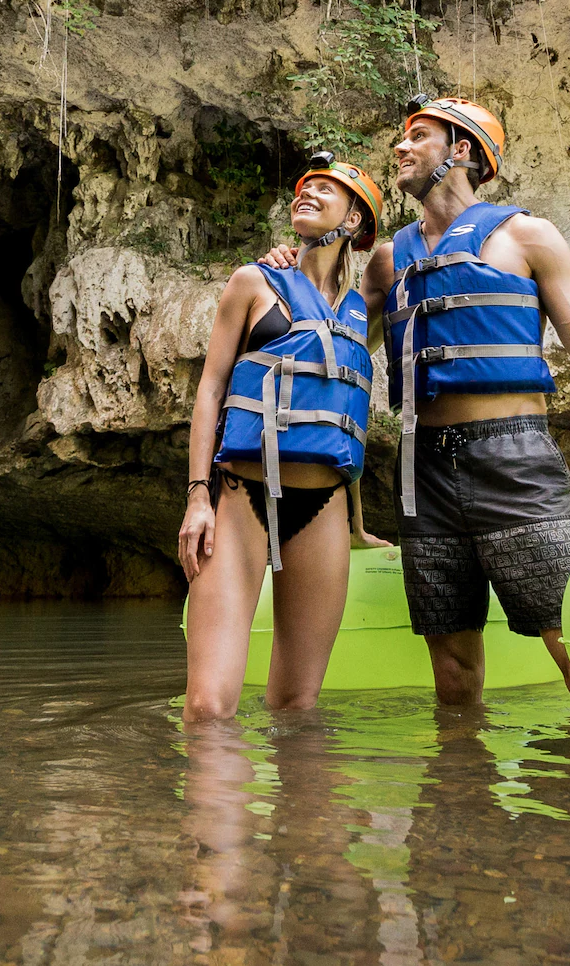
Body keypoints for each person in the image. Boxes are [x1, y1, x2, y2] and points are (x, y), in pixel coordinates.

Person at [268, 97, 570, 708]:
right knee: (452, 669)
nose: (400, 147)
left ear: (461, 151)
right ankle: (461, 798)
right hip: (422, 473)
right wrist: (294, 260)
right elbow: (330, 341)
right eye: (402, 137)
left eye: (418, 137)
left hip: (515, 459)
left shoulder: (527, 236)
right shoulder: (391, 258)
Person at [179, 155, 387, 723]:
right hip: (242, 498)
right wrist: (199, 497)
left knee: (297, 706)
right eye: (304, 188)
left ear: (356, 221)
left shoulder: (361, 311)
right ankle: (215, 810)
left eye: (327, 189)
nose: (309, 194)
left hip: (324, 506)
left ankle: (303, 816)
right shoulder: (253, 282)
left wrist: (358, 525)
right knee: (207, 707)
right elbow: (211, 392)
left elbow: (344, 417)